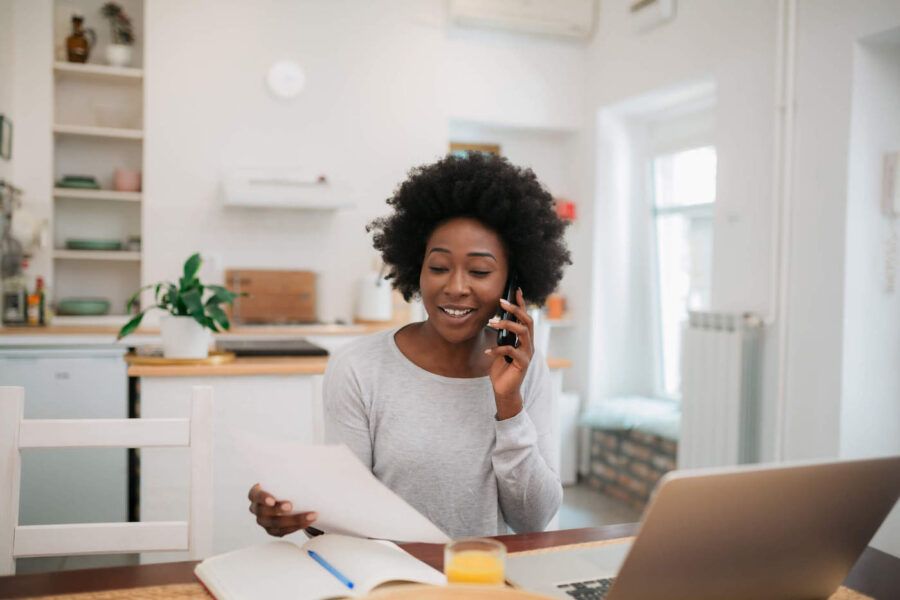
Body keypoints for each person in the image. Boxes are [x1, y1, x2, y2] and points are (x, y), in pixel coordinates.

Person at [248, 152, 572, 539]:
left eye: (480, 271)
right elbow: (344, 518)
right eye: (438, 267)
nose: (454, 286)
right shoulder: (359, 367)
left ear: (512, 281)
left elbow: (533, 520)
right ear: (416, 269)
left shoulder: (525, 370)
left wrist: (509, 406)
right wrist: (296, 513)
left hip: (476, 583)